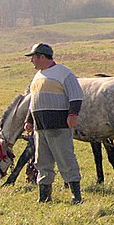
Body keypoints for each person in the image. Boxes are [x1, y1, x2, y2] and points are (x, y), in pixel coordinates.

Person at [22, 43, 85, 204]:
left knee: (66, 159)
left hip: (59, 125)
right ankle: (44, 196)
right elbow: (33, 101)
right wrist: (29, 120)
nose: (32, 61)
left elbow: (76, 96)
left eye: (34, 58)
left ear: (42, 57)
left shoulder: (64, 73)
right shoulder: (37, 76)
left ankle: (76, 196)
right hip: (40, 127)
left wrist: (72, 114)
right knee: (41, 161)